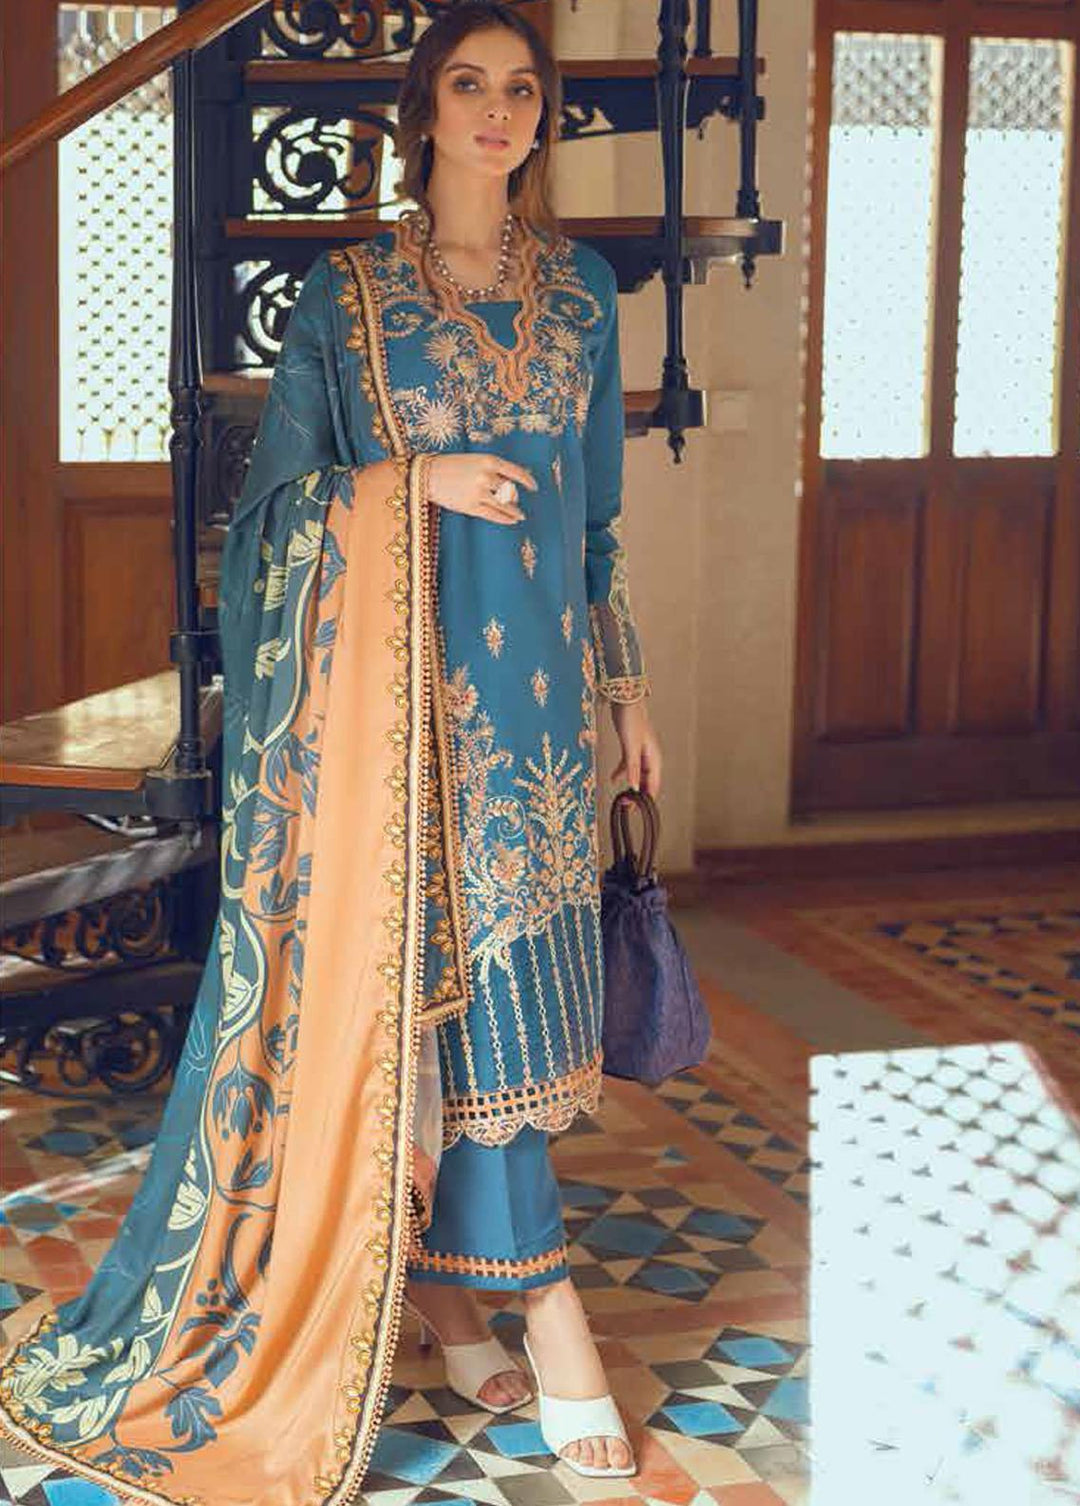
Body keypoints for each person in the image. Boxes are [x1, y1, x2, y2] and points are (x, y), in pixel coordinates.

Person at [0, 3, 662, 1499]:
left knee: (509, 1016)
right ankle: (548, 1311)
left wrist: (629, 691)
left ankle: (445, 1297)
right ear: (423, 109)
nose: (498, 112)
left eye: (524, 90)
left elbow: (601, 524)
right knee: (429, 1000)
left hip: (538, 723)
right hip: (392, 718)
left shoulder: (584, 292)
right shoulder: (347, 296)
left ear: (543, 118)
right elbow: (270, 528)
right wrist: (411, 479)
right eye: (470, 85)